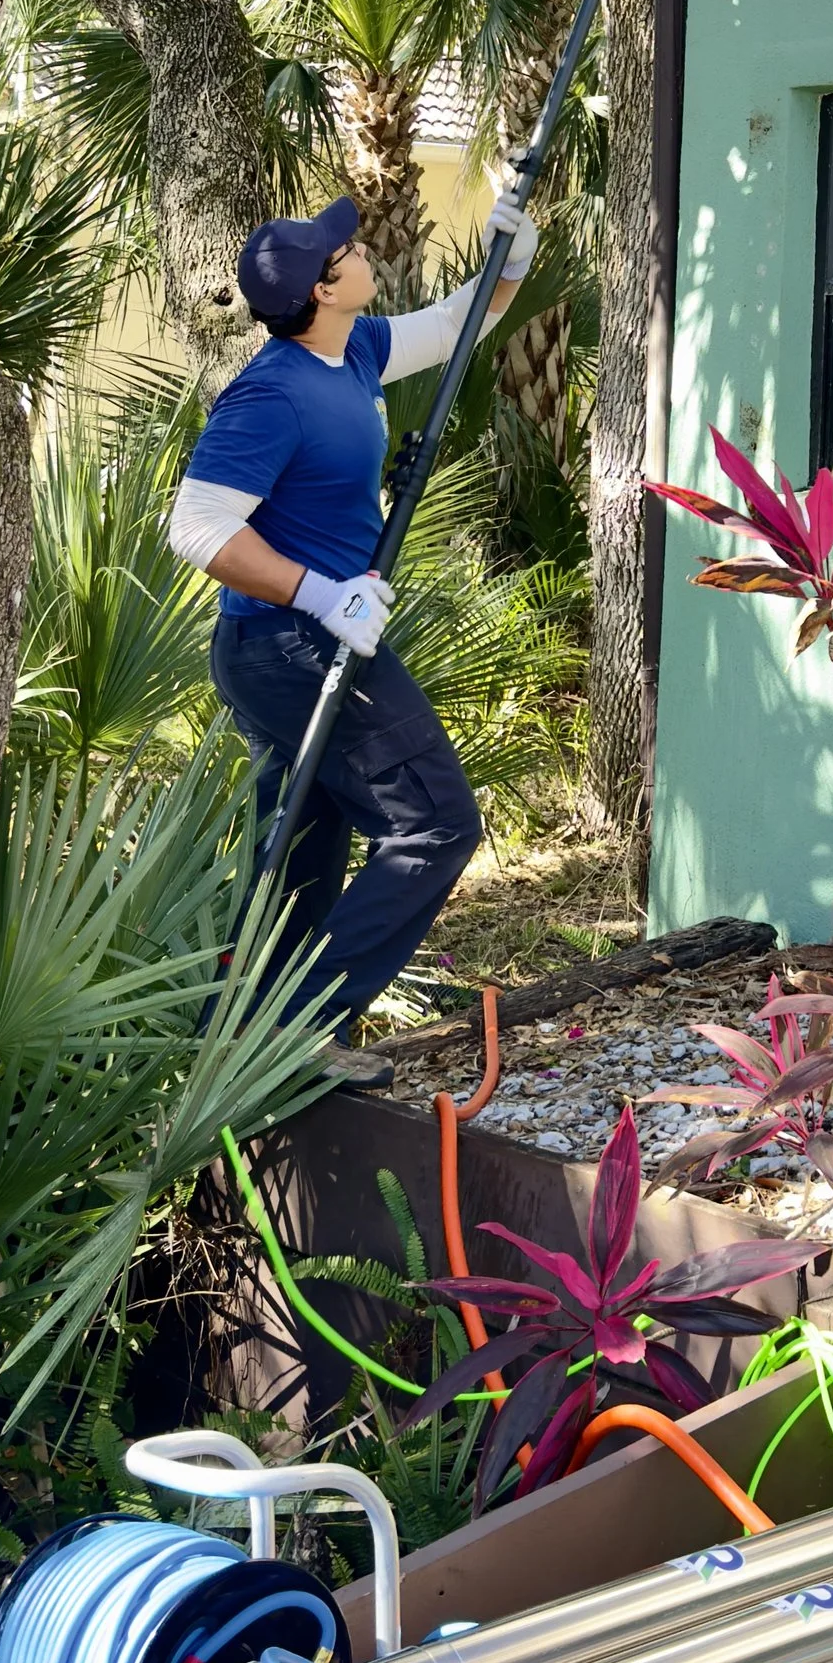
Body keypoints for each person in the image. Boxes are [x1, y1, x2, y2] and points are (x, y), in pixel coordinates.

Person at [168, 187, 537, 1079]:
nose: (362, 250)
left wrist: (511, 247)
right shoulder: (272, 393)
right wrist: (321, 595)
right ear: (324, 291)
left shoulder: (356, 351)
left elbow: (459, 322)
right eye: (347, 252)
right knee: (435, 823)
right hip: (287, 646)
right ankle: (299, 1029)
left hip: (307, 641)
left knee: (308, 840)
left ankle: (251, 1034)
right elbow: (199, 527)